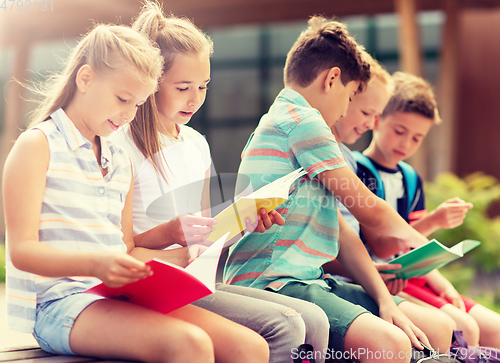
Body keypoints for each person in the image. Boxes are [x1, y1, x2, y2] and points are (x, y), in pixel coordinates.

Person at [3, 24, 269, 363]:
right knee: (190, 345)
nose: (129, 115)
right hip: (61, 303)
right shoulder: (37, 146)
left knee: (251, 347)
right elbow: (22, 251)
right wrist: (97, 264)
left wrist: (169, 239)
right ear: (85, 79)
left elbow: (126, 247)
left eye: (139, 104)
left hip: (120, 296)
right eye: (122, 99)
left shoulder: (118, 160)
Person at [223, 16, 455, 363]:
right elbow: (367, 207)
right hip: (273, 282)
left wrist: (385, 299)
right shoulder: (302, 120)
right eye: (350, 97)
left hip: (312, 280)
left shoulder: (298, 124)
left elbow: (344, 232)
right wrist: (423, 243)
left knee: (437, 327)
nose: (346, 110)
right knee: (391, 345)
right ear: (332, 79)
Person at [110, 2, 330, 362]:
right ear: (150, 81)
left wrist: (245, 222)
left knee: (315, 322)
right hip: (151, 284)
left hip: (195, 277)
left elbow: (203, 237)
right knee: (286, 326)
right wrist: (175, 238)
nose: (196, 98)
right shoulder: (123, 147)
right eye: (183, 87)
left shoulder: (195, 143)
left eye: (203, 86)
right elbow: (125, 251)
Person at [354, 71, 500, 349]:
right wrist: (434, 220)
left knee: (495, 330)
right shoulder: (359, 172)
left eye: (417, 138)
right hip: (381, 278)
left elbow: (414, 252)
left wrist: (443, 284)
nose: (406, 144)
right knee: (465, 329)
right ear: (377, 118)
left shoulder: (411, 178)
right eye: (400, 131)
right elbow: (383, 247)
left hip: (416, 276)